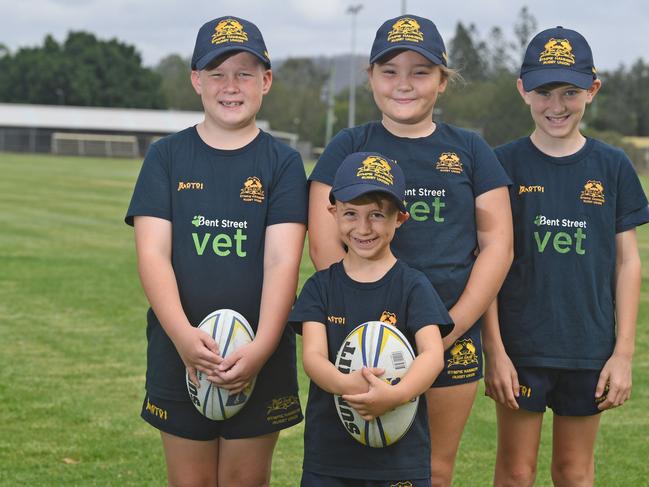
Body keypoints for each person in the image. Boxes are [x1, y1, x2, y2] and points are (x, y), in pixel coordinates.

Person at [307, 15, 513, 486]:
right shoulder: (347, 145)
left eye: (420, 72)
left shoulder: (471, 150)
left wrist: (444, 332)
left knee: (432, 471)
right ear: (371, 77)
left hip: (450, 338)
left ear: (442, 80)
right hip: (361, 344)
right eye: (390, 70)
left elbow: (497, 247)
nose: (404, 84)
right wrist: (369, 334)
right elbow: (323, 244)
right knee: (351, 470)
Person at [125, 15, 307, 487]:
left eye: (245, 73)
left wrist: (263, 345)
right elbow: (152, 255)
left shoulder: (283, 163)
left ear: (265, 81)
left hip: (259, 354)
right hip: (178, 347)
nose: (231, 86)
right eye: (217, 73)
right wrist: (184, 337)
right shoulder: (166, 156)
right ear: (196, 80)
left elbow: (283, 259)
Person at [483, 26, 649, 487]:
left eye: (570, 92)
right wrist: (494, 350)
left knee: (574, 473)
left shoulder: (612, 166)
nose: (556, 105)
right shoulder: (501, 164)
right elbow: (487, 263)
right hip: (521, 348)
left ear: (592, 90)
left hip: (588, 348)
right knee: (516, 473)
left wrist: (622, 353)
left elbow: (627, 262)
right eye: (544, 91)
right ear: (523, 90)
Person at [291, 151, 453, 486]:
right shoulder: (321, 287)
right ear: (333, 213)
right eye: (351, 214)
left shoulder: (414, 286)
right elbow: (313, 357)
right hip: (331, 458)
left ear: (400, 219)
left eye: (377, 215)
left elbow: (432, 354)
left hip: (399, 459)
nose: (363, 228)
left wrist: (396, 394)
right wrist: (350, 387)